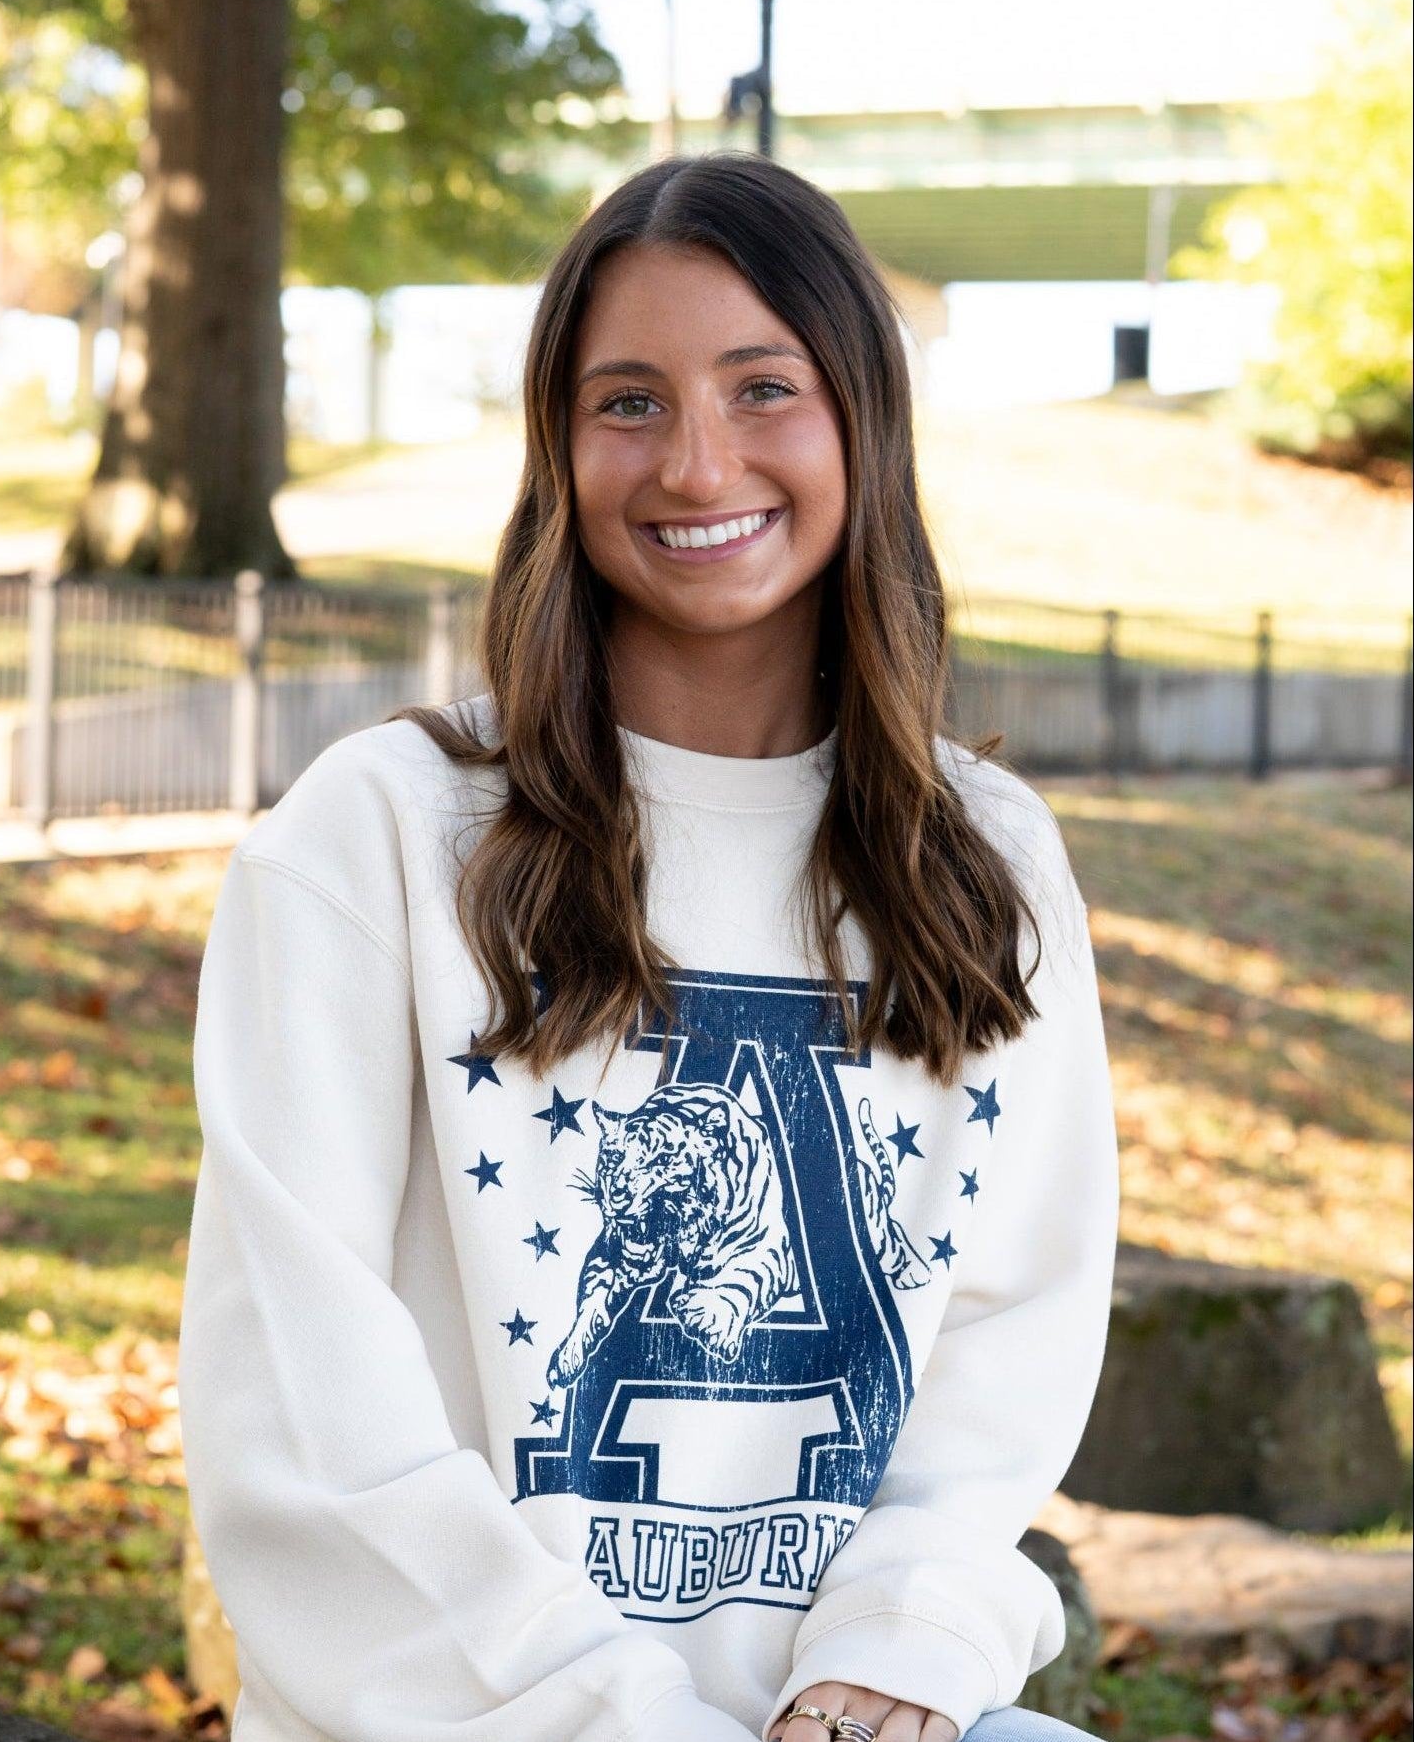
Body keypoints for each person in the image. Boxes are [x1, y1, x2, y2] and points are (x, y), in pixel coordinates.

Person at [178, 151, 1119, 1742]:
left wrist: (900, 1653)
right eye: (629, 402)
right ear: (557, 446)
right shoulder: (382, 838)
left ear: (864, 423)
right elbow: (302, 1420)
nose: (697, 463)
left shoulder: (990, 859)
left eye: (765, 388)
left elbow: (1011, 1333)